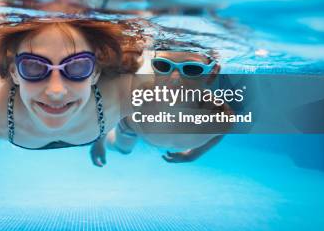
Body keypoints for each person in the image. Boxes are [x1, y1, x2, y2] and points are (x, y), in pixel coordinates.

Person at [0, 19, 143, 151]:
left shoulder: (127, 92)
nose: (56, 91)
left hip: (99, 129)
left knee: (122, 148)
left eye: (77, 66)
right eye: (33, 66)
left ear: (95, 72)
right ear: (14, 73)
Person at [90, 43, 231, 166]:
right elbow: (108, 113)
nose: (175, 80)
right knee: (122, 149)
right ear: (154, 66)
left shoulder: (220, 116)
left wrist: (192, 155)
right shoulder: (137, 94)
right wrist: (98, 143)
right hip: (129, 127)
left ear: (212, 73)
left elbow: (220, 133)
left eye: (191, 69)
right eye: (163, 65)